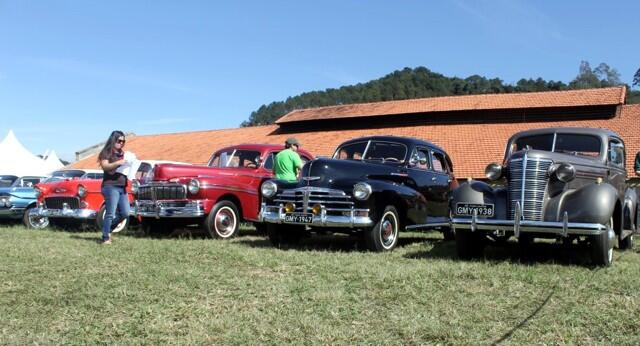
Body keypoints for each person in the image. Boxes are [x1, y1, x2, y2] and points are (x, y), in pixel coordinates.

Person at [97, 131, 131, 245]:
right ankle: (106, 237)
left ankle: (107, 230)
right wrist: (118, 163)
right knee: (110, 213)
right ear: (113, 140)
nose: (121, 143)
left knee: (126, 212)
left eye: (123, 141)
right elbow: (105, 166)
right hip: (110, 186)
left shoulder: (124, 153)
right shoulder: (107, 152)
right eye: (119, 141)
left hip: (122, 187)